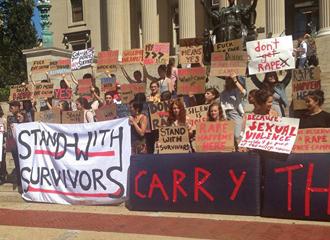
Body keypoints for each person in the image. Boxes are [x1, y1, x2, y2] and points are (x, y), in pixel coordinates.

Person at [220, 73, 246, 146]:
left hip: (234, 113)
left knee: (237, 135)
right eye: (227, 80)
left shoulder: (236, 90)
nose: (228, 81)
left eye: (229, 79)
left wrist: (235, 79)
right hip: (226, 114)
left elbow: (244, 92)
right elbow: (222, 105)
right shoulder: (223, 93)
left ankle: (240, 148)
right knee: (229, 137)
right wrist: (224, 117)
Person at [0, 106, 7, 185]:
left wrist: (5, 143)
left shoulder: (4, 120)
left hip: (2, 144)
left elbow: (6, 132)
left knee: (2, 160)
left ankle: (3, 176)